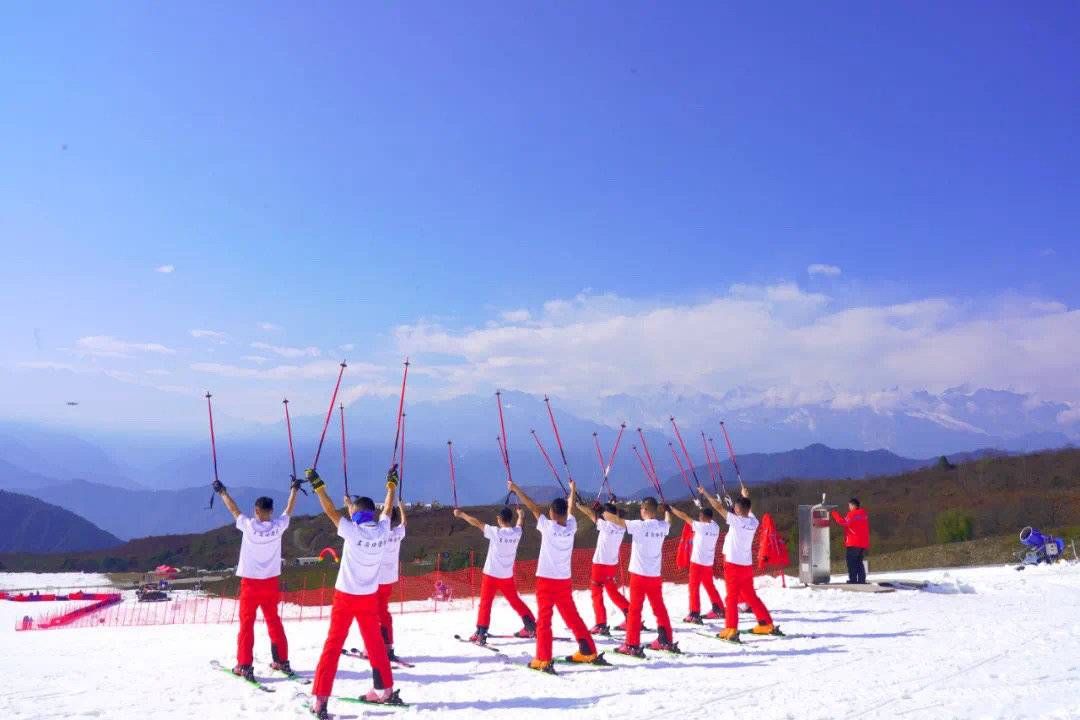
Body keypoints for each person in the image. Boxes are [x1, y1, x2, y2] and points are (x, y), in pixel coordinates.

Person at [307, 467, 404, 718]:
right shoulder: (383, 530)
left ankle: (320, 699)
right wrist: (391, 486)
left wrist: (319, 487)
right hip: (369, 598)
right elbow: (387, 509)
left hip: (346, 597)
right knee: (375, 645)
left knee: (333, 646)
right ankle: (385, 691)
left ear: (357, 515)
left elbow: (330, 511)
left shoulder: (352, 531)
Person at [509, 478, 602, 672]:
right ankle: (588, 650)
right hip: (564, 581)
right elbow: (571, 511)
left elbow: (532, 507)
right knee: (572, 617)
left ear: (551, 513)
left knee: (544, 620)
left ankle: (543, 659)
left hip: (546, 581)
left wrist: (515, 488)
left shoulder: (548, 527)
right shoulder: (571, 526)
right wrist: (573, 489)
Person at [213, 478, 299, 681]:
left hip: (251, 584)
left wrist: (222, 492)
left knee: (247, 624)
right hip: (270, 582)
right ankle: (281, 660)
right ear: (270, 510)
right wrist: (294, 490)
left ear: (257, 510)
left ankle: (244, 665)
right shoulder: (279, 526)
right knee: (274, 621)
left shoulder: (249, 526)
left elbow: (234, 510)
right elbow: (288, 510)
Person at [699, 484, 774, 640]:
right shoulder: (753, 521)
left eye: (735, 507)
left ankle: (731, 629)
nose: (734, 509)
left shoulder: (736, 521)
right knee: (751, 596)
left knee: (732, 598)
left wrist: (705, 493)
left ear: (738, 510)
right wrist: (744, 496)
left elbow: (718, 507)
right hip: (746, 565)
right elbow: (748, 509)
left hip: (733, 564)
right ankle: (766, 623)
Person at [452, 505, 536, 644]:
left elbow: (477, 523)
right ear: (510, 519)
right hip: (506, 576)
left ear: (499, 519)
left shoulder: (495, 532)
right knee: (516, 602)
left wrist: (461, 514)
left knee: (485, 604)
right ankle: (531, 626)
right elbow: (520, 524)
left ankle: (481, 633)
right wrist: (521, 515)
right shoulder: (516, 533)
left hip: (491, 575)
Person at [603, 497, 676, 657]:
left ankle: (631, 644)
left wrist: (604, 511)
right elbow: (668, 522)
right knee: (659, 609)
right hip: (655, 576)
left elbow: (614, 520)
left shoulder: (639, 525)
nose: (640, 511)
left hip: (639, 576)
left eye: (642, 508)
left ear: (645, 510)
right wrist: (668, 512)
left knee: (635, 611)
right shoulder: (662, 526)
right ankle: (666, 640)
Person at [573, 499, 630, 635]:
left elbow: (589, 513)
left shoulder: (605, 525)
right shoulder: (621, 526)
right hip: (611, 565)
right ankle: (632, 616)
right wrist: (605, 508)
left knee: (596, 593)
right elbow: (605, 514)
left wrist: (580, 506)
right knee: (612, 592)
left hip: (599, 564)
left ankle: (601, 623)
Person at [667, 502, 723, 624]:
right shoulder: (716, 527)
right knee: (709, 586)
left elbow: (684, 516)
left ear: (703, 517)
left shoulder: (700, 527)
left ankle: (694, 613)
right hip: (708, 563)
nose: (699, 518)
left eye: (700, 516)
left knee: (694, 587)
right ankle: (718, 608)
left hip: (697, 563)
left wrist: (671, 509)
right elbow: (707, 517)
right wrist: (700, 506)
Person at [376, 498, 407, 662]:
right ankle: (386, 645)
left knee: (376, 614)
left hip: (376, 580)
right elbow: (404, 523)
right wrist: (402, 508)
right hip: (390, 579)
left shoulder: (379, 533)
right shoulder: (398, 534)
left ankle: (381, 647)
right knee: (383, 612)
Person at [831, 497, 870, 584]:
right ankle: (861, 579)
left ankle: (853, 579)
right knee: (859, 562)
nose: (849, 507)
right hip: (863, 542)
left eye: (849, 505)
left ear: (853, 505)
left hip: (853, 542)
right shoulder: (864, 514)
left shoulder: (852, 514)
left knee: (851, 562)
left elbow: (843, 522)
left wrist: (835, 514)